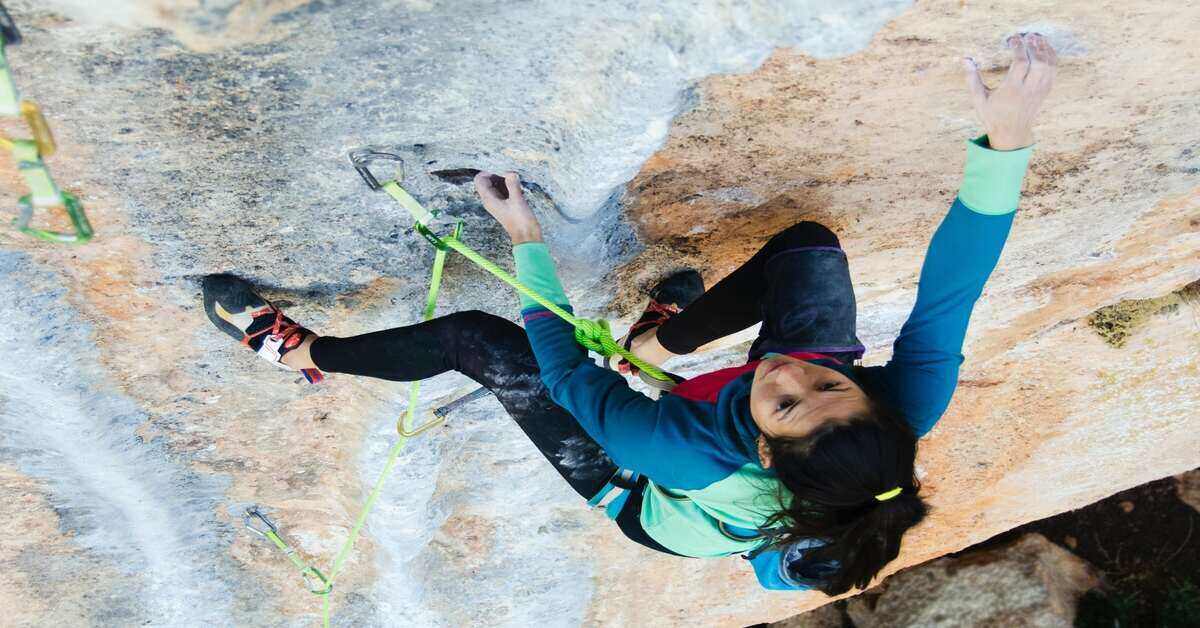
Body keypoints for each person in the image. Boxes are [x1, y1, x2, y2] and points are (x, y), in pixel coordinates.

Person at [203, 33, 1057, 594]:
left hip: (638, 497)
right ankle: (666, 332)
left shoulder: (672, 451)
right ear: (873, 398)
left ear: (764, 446)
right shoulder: (902, 408)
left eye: (790, 402)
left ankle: (306, 355)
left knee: (478, 340)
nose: (792, 371)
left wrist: (525, 234)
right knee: (807, 250)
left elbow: (570, 376)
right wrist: (1007, 143)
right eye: (833, 382)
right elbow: (955, 287)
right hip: (778, 467)